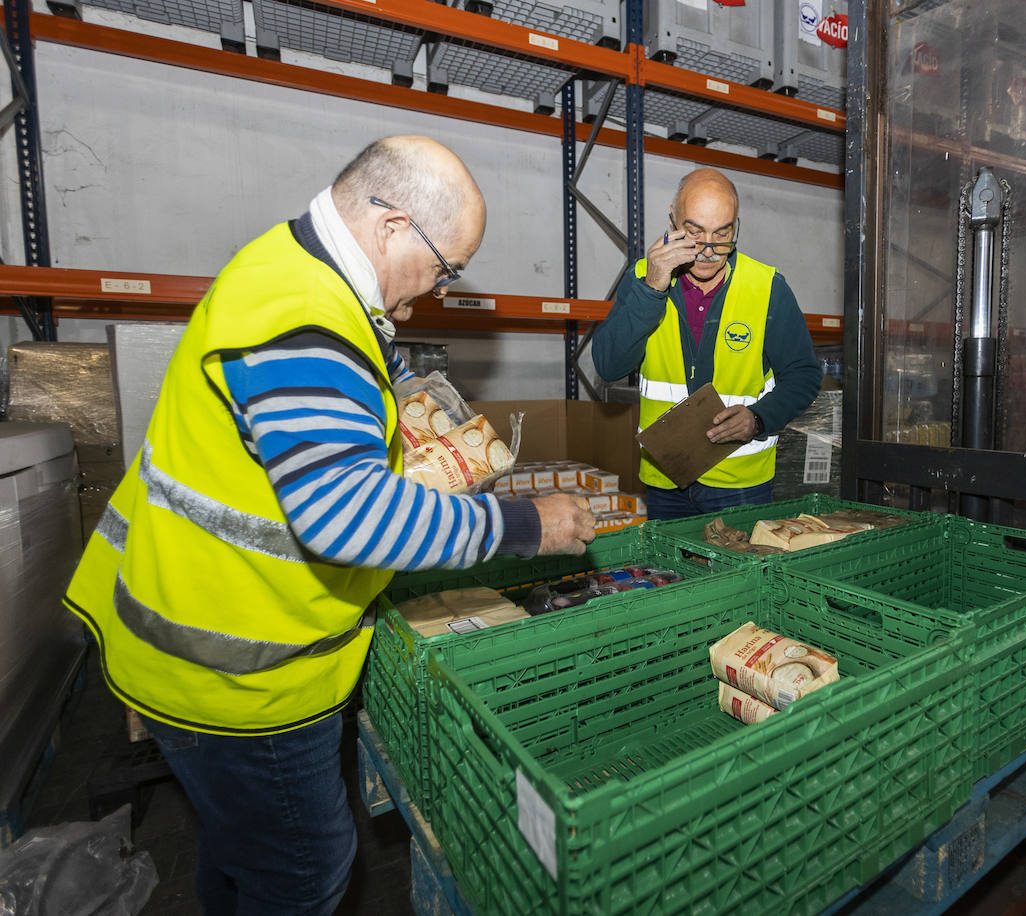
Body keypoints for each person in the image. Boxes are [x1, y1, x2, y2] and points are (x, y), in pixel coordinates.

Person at [62, 136, 595, 915]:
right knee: (304, 870)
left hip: (197, 634)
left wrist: (400, 389)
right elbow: (345, 518)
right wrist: (525, 525)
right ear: (392, 226)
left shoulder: (291, 267)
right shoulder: (305, 316)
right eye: (445, 268)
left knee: (239, 855)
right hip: (241, 679)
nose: (438, 291)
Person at [592, 167, 822, 520]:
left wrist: (759, 419)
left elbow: (804, 376)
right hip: (665, 480)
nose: (709, 250)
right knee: (669, 576)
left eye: (722, 233)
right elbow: (609, 365)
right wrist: (653, 288)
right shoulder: (642, 278)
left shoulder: (767, 287)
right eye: (694, 232)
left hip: (740, 482)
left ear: (737, 227)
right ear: (672, 218)